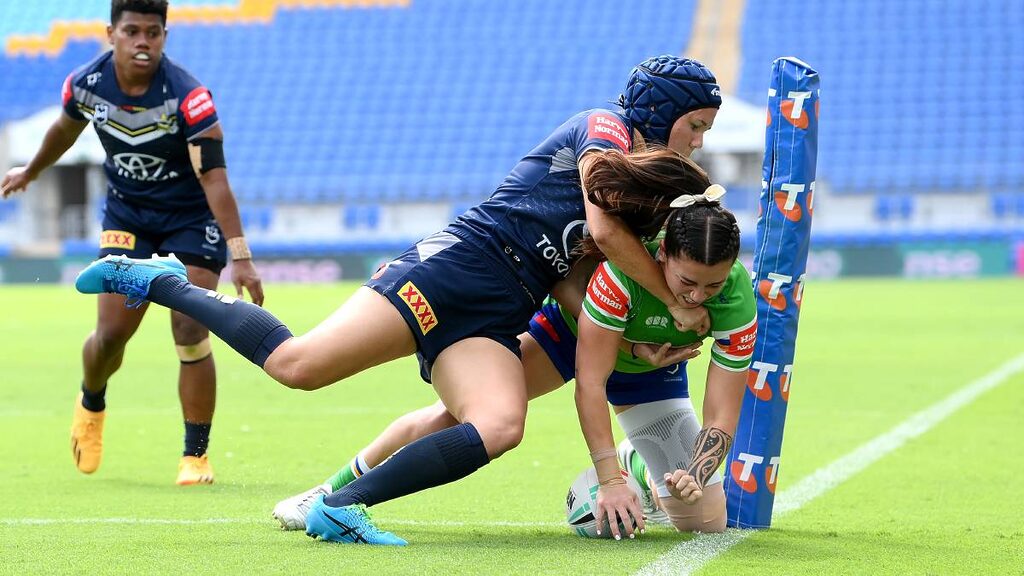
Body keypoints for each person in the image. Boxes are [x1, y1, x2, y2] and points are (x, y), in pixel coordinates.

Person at [74, 55, 723, 545]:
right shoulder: (605, 127)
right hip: (459, 266)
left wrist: (634, 338)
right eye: (695, 125)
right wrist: (674, 300)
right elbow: (601, 226)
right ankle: (157, 281)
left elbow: (569, 275)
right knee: (298, 367)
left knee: (499, 424)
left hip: (504, 305)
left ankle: (341, 505)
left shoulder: (641, 193)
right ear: (663, 111)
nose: (698, 140)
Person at [274, 188, 753, 538]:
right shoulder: (621, 274)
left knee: (705, 523)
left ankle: (644, 470)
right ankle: (332, 490)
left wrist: (692, 471)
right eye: (687, 280)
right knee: (463, 419)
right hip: (570, 339)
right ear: (662, 253)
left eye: (711, 286)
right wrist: (607, 480)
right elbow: (590, 383)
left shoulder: (735, 297)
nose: (697, 295)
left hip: (654, 369)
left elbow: (723, 413)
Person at [0, 0, 263, 485]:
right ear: (111, 34)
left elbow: (214, 177)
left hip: (190, 218)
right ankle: (91, 401)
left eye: (154, 33)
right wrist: (31, 171)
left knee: (190, 328)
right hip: (129, 217)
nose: (143, 41)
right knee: (113, 334)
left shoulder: (189, 97)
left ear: (164, 37)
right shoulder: (87, 84)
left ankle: (195, 457)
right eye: (133, 31)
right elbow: (64, 128)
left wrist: (240, 254)